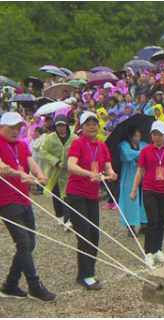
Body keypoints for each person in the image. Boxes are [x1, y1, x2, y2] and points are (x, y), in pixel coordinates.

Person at [0, 112, 57, 302]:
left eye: (19, 127)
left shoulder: (22, 145)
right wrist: (18, 173)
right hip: (6, 201)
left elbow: (31, 163)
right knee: (23, 243)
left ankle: (10, 285)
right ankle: (34, 285)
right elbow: (1, 167)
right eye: (12, 127)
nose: (16, 131)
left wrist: (40, 175)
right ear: (2, 127)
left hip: (24, 199)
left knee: (29, 244)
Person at [67, 112, 118, 291]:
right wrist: (90, 174)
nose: (92, 126)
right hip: (76, 193)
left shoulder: (102, 146)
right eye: (87, 123)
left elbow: (107, 165)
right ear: (81, 127)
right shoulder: (77, 143)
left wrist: (111, 173)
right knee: (84, 233)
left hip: (92, 195)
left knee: (94, 234)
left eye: (94, 123)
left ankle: (85, 272)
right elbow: (71, 165)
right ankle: (87, 275)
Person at [131, 121, 164, 267]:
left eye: (160, 135)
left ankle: (158, 248)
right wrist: (134, 189)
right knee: (152, 220)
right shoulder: (146, 151)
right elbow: (140, 171)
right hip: (150, 189)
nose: (157, 137)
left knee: (161, 220)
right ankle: (148, 251)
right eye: (154, 134)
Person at [40, 115, 78, 231]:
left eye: (63, 125)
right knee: (56, 193)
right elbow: (43, 151)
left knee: (68, 195)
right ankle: (59, 215)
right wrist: (56, 162)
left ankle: (68, 219)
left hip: (69, 172)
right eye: (58, 126)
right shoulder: (49, 138)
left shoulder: (74, 138)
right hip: (55, 171)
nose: (61, 128)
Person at [118, 127, 148, 237]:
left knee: (143, 198)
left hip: (142, 174)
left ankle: (144, 223)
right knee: (130, 199)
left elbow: (147, 153)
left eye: (139, 135)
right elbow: (126, 155)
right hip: (129, 175)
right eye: (136, 135)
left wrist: (141, 153)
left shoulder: (143, 144)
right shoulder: (124, 145)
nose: (138, 138)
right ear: (130, 136)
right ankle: (130, 225)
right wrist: (140, 153)